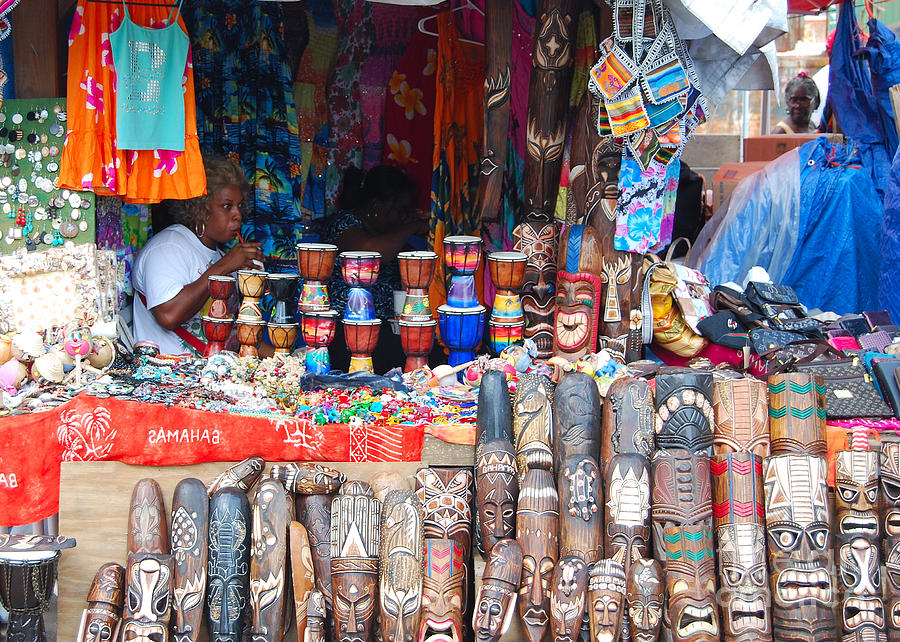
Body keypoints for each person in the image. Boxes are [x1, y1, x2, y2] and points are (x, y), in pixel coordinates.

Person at [132, 156, 264, 355]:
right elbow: (169, 316)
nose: (238, 215)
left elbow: (237, 336)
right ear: (200, 209)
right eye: (227, 206)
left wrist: (285, 357)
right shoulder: (168, 247)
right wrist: (223, 267)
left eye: (239, 206)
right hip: (171, 378)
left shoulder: (220, 256)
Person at [324, 165, 428, 372]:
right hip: (347, 333)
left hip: (386, 332)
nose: (402, 217)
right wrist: (414, 227)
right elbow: (369, 253)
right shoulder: (344, 223)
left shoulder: (391, 237)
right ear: (375, 206)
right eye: (399, 210)